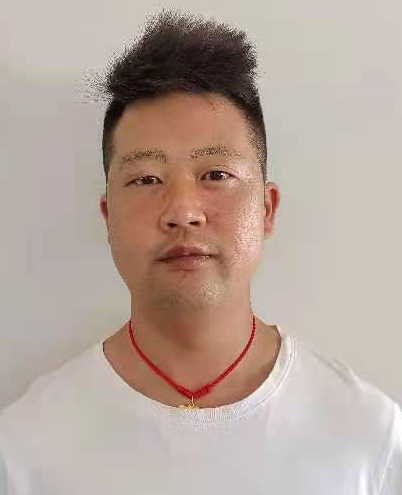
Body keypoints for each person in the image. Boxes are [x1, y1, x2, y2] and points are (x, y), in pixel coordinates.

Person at [0, 7, 401, 494]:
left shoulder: (369, 439)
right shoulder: (25, 449)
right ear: (108, 217)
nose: (182, 212)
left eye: (216, 174)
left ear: (267, 209)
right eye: (146, 179)